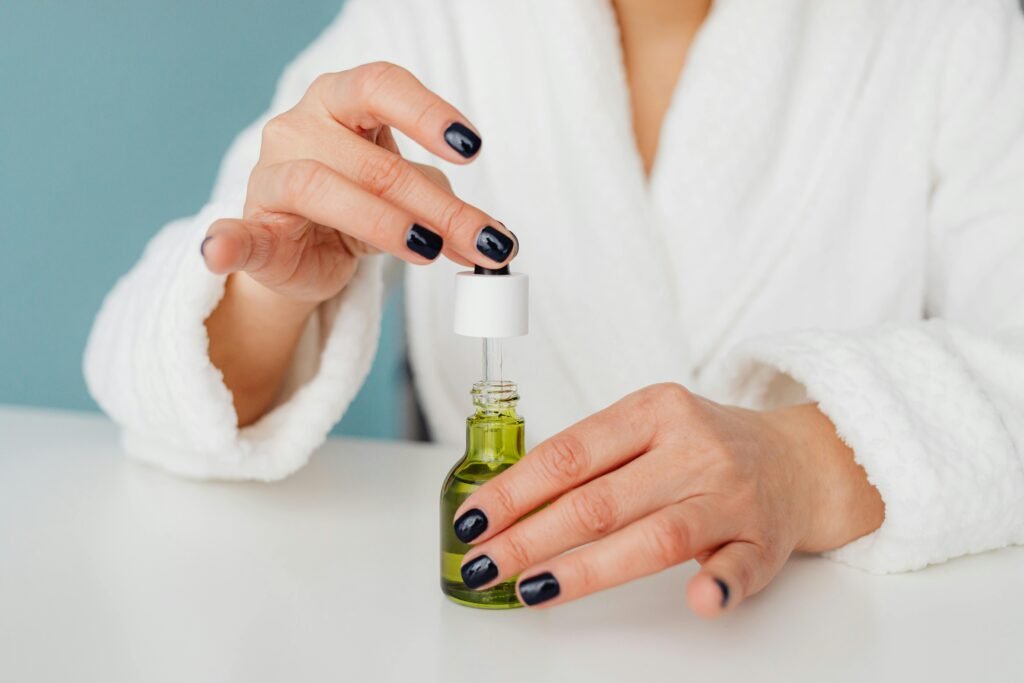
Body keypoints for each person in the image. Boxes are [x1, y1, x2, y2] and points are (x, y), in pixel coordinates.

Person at [84, 0, 1024, 617]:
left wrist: (808, 463)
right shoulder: (436, 20)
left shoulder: (957, 27)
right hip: (503, 642)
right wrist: (265, 287)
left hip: (835, 640)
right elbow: (154, 382)